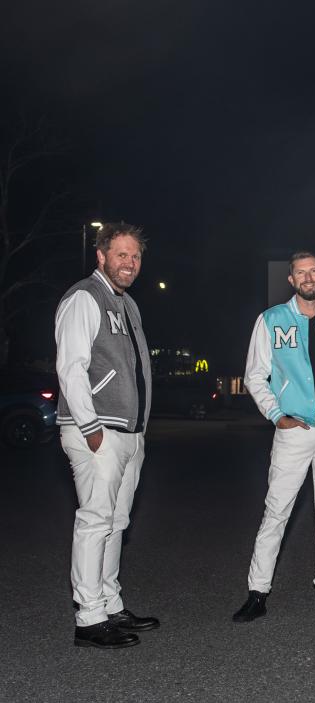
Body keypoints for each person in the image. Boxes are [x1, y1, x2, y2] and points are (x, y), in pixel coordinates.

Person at [233, 251, 315, 622]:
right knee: (276, 512)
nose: (307, 278)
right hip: (294, 430)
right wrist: (277, 416)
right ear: (291, 280)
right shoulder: (272, 320)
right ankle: (257, 592)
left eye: (313, 271)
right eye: (300, 273)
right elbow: (255, 375)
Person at [55, 222, 159, 649]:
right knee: (95, 521)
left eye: (135, 257)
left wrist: (140, 431)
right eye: (121, 254)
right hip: (98, 430)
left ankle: (111, 604)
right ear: (101, 255)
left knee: (116, 522)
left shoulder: (128, 304)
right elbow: (71, 368)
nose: (129, 263)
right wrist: (91, 426)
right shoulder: (85, 297)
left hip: (129, 433)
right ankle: (89, 617)